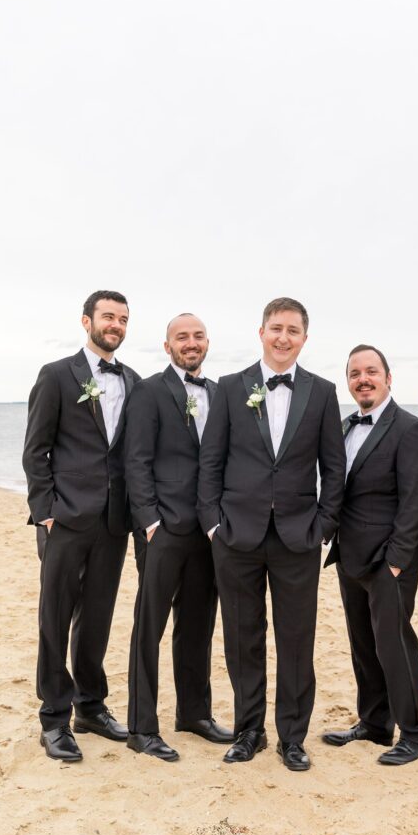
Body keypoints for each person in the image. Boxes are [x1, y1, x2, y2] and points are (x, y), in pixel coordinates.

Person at [197, 297, 346, 771]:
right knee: (243, 638)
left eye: (293, 330)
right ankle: (248, 732)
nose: (284, 337)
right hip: (236, 535)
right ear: (261, 332)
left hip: (298, 537)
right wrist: (213, 523)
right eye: (276, 328)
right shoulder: (230, 387)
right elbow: (211, 461)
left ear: (304, 338)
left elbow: (334, 469)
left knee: (297, 640)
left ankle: (293, 738)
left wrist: (323, 525)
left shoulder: (321, 393)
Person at [23, 290, 140, 762]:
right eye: (108, 316)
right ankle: (54, 716)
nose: (115, 324)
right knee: (55, 616)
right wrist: (45, 509)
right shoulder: (56, 376)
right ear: (86, 320)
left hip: (114, 522)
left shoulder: (134, 381)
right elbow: (36, 449)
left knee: (97, 618)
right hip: (65, 518)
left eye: (123, 319)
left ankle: (90, 706)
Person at [124, 313, 233, 762]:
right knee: (149, 628)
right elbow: (136, 460)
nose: (191, 343)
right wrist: (149, 521)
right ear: (167, 346)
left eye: (198, 336)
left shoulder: (222, 393)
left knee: (198, 626)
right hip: (163, 529)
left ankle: (193, 713)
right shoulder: (149, 391)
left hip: (208, 533)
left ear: (208, 342)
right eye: (182, 337)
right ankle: (141, 728)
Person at [323, 345, 418, 764]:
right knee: (362, 645)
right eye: (355, 373)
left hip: (390, 558)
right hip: (349, 554)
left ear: (389, 378)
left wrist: (397, 558)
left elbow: (415, 500)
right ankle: (374, 723)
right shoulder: (345, 425)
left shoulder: (409, 429)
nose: (363, 379)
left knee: (394, 644)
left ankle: (417, 730)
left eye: (371, 371)